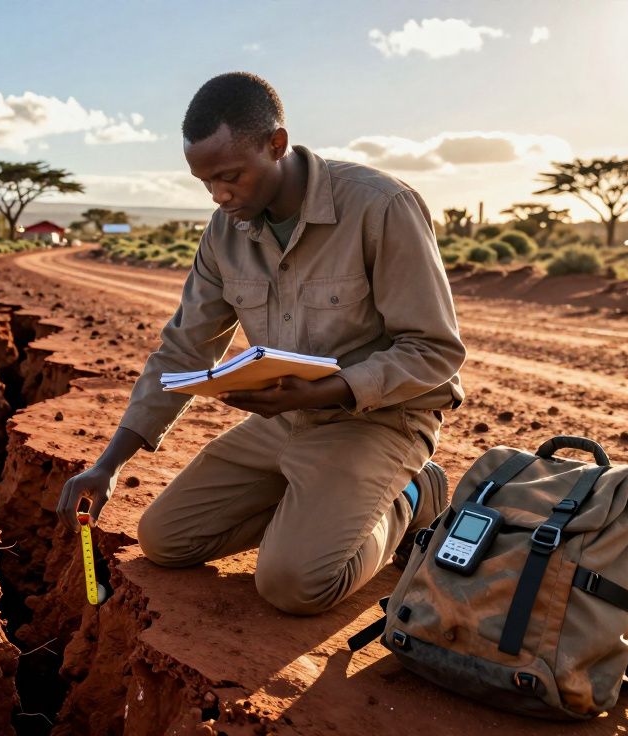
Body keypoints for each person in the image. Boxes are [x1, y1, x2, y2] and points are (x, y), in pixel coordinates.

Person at [56, 72, 467, 615]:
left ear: (277, 144)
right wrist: (107, 464)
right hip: (286, 419)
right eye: (206, 183)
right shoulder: (224, 231)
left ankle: (413, 497)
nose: (219, 196)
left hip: (378, 419)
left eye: (230, 177)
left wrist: (324, 393)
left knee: (294, 585)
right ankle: (316, 508)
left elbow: (436, 350)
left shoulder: (380, 206)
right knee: (166, 539)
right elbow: (183, 350)